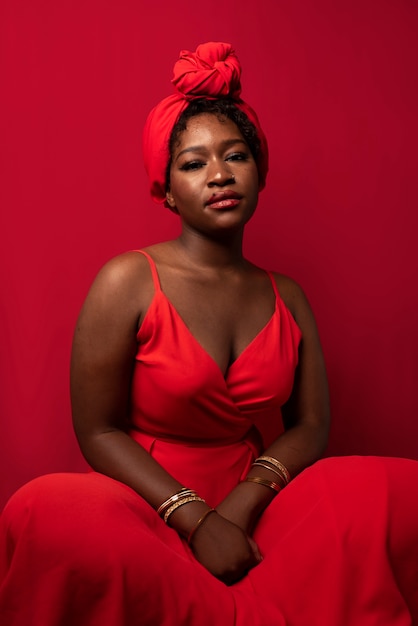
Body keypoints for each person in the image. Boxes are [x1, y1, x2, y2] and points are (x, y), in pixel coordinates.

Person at [0, 42, 417, 626]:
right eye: (193, 163)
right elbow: (96, 429)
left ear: (259, 172)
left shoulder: (286, 294)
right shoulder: (127, 280)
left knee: (398, 493)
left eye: (236, 156)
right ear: (166, 188)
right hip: (148, 499)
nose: (219, 174)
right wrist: (193, 516)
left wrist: (244, 504)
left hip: (257, 496)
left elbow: (312, 425)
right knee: (46, 510)